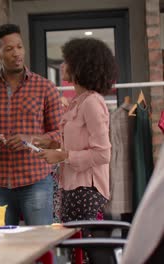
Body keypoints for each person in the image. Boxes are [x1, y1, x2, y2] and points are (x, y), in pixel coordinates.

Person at [0, 23, 63, 225]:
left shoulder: (45, 88)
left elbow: (60, 135)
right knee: (3, 249)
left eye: (19, 47)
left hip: (36, 181)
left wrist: (32, 139)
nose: (16, 53)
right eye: (9, 49)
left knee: (40, 245)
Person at [36, 37, 117, 223]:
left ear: (81, 66)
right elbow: (81, 143)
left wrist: (62, 156)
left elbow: (103, 154)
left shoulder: (92, 103)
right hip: (73, 189)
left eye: (67, 61)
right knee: (75, 248)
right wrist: (52, 144)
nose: (63, 65)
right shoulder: (77, 102)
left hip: (87, 192)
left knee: (85, 248)